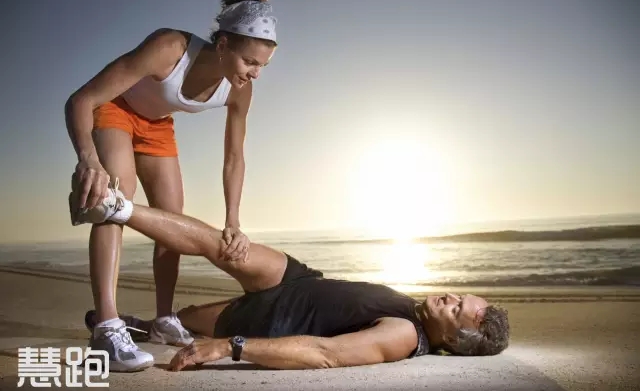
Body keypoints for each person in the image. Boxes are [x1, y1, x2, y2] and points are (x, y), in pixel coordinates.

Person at [64, 0, 278, 371]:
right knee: (116, 199)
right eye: (250, 62)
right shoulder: (169, 48)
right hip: (116, 110)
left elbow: (234, 157)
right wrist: (88, 159)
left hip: (157, 126)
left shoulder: (239, 89)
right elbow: (81, 100)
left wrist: (233, 220)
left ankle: (164, 320)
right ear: (224, 45)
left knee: (171, 216)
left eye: (263, 65)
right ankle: (107, 329)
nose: (256, 74)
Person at [70, 182, 511, 372]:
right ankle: (115, 207)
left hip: (272, 319)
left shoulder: (405, 336)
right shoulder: (416, 310)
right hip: (298, 280)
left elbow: (325, 354)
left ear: (454, 341)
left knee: (179, 321)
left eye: (458, 310)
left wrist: (229, 346)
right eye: (459, 295)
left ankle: (134, 327)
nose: (450, 296)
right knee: (222, 243)